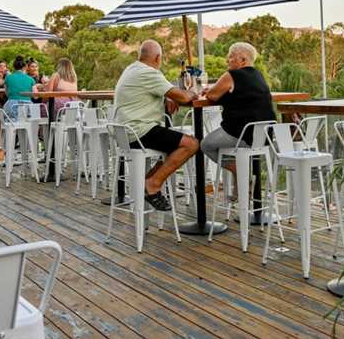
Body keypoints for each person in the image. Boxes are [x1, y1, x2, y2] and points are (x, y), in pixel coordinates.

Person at [114, 40, 199, 211]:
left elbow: (151, 92)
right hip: (140, 131)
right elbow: (183, 97)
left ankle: (146, 184)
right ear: (158, 58)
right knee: (192, 144)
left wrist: (166, 98)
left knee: (174, 146)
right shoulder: (149, 73)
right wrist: (194, 90)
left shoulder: (132, 69)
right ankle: (153, 183)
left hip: (125, 132)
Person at [200, 42, 275, 177]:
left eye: (231, 56)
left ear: (242, 60)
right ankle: (242, 183)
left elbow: (212, 95)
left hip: (240, 135)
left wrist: (211, 91)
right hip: (263, 136)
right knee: (224, 144)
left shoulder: (232, 74)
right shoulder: (259, 75)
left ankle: (239, 172)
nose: (227, 60)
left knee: (206, 145)